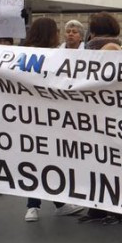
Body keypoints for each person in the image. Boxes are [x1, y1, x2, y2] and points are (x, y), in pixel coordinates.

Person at [21, 17, 85, 222]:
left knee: (45, 159)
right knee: (42, 159)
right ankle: (33, 206)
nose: (62, 34)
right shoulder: (47, 56)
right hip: (43, 116)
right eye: (57, 31)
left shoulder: (31, 54)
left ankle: (55, 203)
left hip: (38, 115)